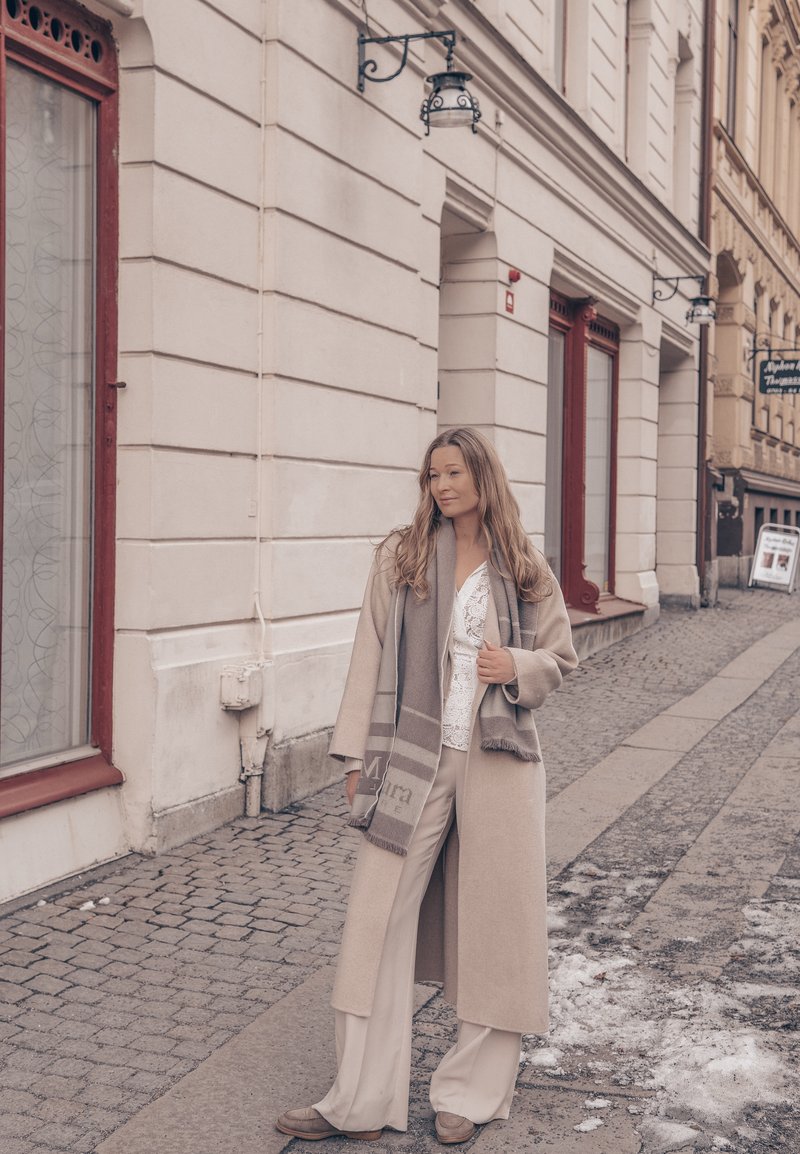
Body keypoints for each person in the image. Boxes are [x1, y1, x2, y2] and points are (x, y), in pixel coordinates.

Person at [277, 427, 578, 1145]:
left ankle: (468, 1097)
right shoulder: (401, 556)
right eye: (431, 475)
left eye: (452, 473)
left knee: (496, 926)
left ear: (481, 476)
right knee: (375, 920)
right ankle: (357, 1098)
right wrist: (355, 760)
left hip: (498, 759)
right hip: (412, 756)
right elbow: (368, 654)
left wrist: (521, 669)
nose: (440, 486)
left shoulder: (523, 565)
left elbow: (562, 655)